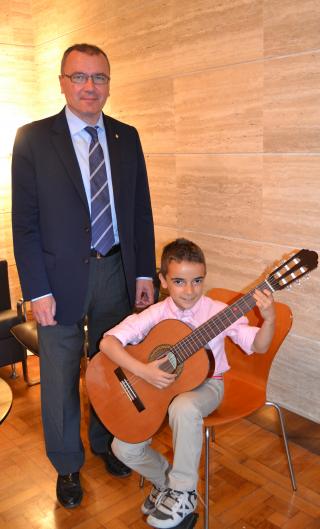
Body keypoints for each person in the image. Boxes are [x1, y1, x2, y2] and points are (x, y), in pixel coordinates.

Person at [11, 43, 156, 508]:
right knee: (57, 377)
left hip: (116, 268)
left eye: (99, 78)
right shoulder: (32, 139)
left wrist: (142, 274)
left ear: (109, 84)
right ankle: (68, 466)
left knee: (110, 368)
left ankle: (107, 442)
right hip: (57, 281)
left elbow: (139, 213)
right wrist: (37, 289)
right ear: (62, 82)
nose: (90, 86)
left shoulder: (126, 137)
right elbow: (26, 224)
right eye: (80, 77)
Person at [100, 238, 276, 528]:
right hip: (160, 389)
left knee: (183, 407)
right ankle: (165, 482)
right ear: (164, 281)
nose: (190, 290)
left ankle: (184, 493)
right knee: (123, 449)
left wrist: (268, 320)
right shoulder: (157, 313)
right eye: (179, 281)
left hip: (208, 387)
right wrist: (144, 371)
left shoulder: (219, 312)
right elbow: (108, 343)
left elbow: (257, 345)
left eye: (197, 281)